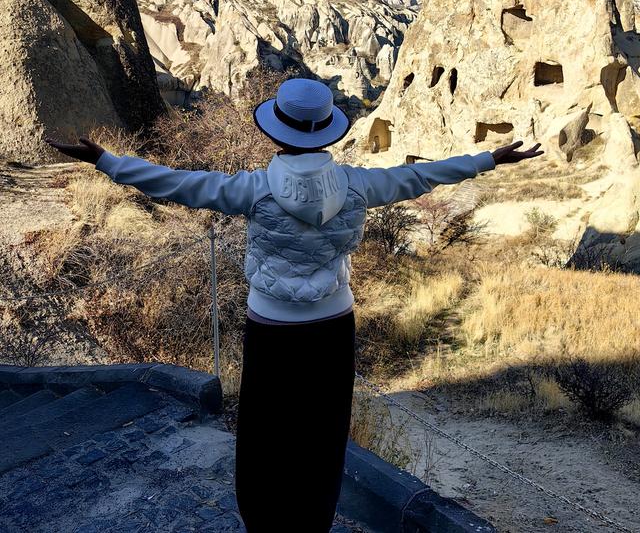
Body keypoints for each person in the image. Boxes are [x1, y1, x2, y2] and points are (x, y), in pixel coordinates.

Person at [45, 78, 543, 532]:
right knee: (324, 431)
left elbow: (175, 182)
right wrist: (489, 159)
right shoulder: (360, 185)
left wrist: (105, 160)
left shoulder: (252, 189)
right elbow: (421, 177)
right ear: (327, 131)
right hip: (334, 323)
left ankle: (265, 523)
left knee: (266, 433)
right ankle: (313, 523)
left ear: (276, 131)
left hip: (272, 326)